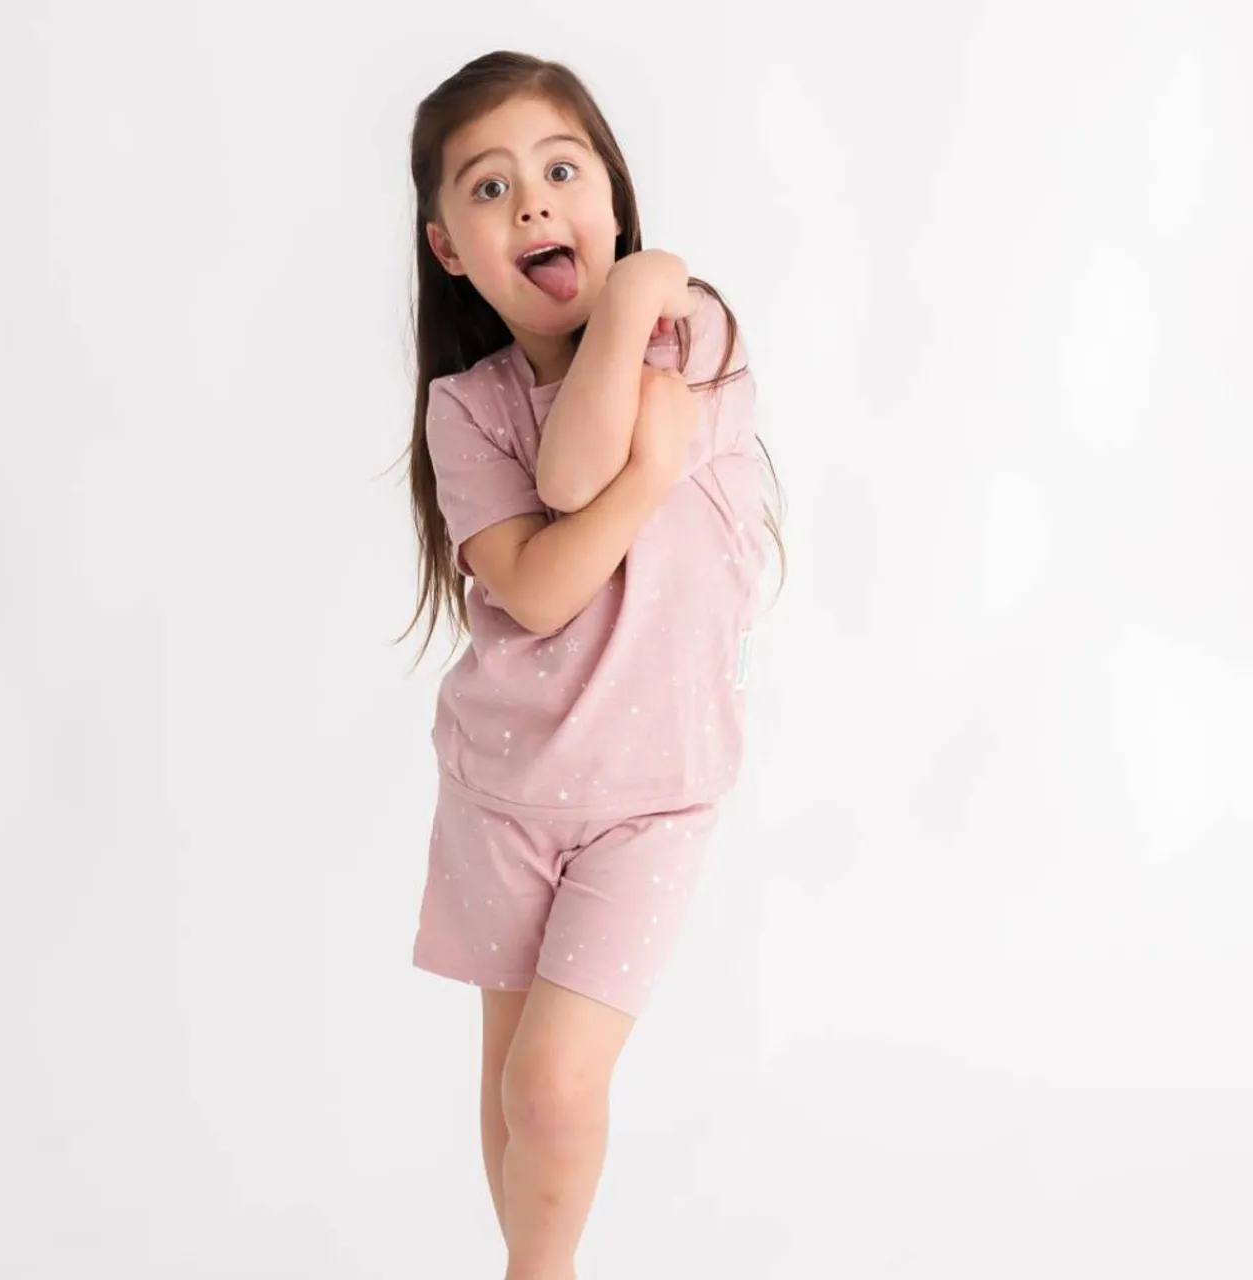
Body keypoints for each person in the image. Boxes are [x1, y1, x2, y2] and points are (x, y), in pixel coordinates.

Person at [400, 50, 784, 1280]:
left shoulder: (692, 326)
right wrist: (650, 469)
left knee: (553, 1083)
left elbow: (570, 468)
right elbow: (550, 551)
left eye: (560, 171)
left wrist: (630, 308)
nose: (531, 202)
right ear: (448, 248)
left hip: (651, 794)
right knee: (513, 1081)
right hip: (503, 786)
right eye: (489, 187)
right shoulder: (466, 408)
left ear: (611, 194)